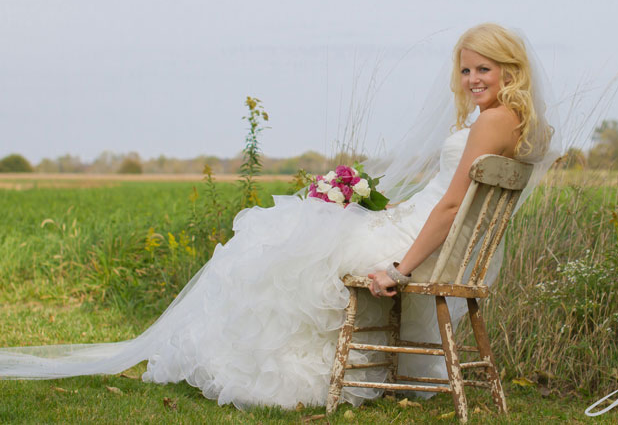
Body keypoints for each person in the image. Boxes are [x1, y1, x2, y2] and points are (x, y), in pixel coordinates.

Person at [0, 23, 557, 410]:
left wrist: (400, 267)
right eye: (465, 70)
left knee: (283, 244)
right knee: (299, 236)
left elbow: (454, 204)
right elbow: (451, 201)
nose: (472, 80)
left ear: (509, 67)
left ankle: (256, 366)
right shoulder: (514, 120)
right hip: (440, 235)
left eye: (484, 68)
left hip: (426, 240)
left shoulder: (492, 121)